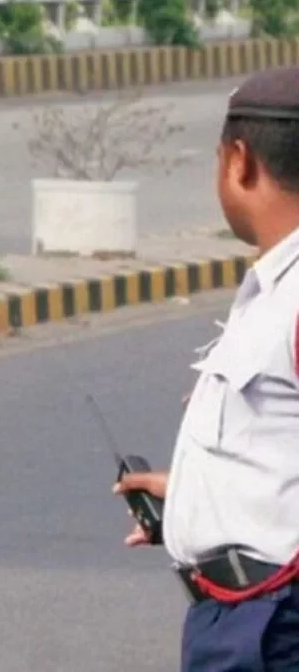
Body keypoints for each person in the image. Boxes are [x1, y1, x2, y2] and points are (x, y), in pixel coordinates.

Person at [114, 66, 299, 671]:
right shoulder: (275, 285)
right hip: (241, 616)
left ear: (239, 161)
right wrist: (192, 494)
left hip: (272, 626)